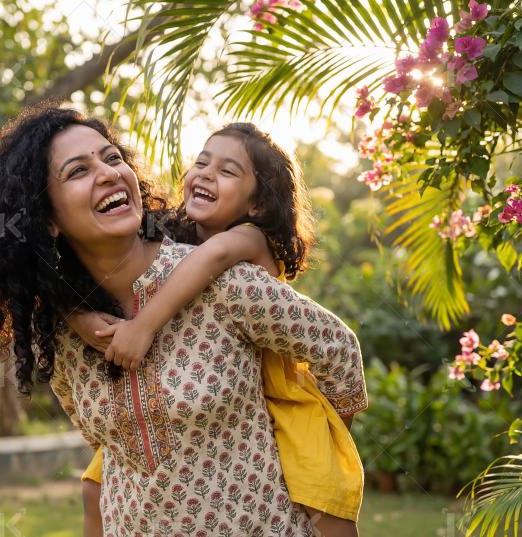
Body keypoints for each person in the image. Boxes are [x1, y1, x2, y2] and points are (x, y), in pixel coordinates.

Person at [0, 103, 367, 536]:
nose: (109, 173)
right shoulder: (67, 333)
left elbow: (338, 352)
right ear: (48, 220)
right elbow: (104, 445)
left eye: (112, 158)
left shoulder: (222, 283)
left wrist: (312, 449)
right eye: (78, 171)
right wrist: (69, 309)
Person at [70, 124, 365, 536]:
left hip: (278, 398)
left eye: (227, 172)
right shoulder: (173, 238)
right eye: (201, 162)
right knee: (93, 486)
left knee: (321, 495)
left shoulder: (247, 238)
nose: (205, 174)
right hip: (183, 420)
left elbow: (211, 259)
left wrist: (333, 424)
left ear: (258, 204)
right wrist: (77, 316)